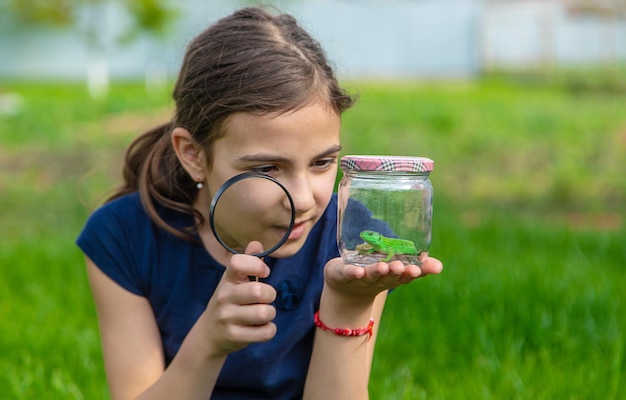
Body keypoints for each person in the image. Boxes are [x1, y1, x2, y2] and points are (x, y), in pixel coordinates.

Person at [77, 6, 443, 400]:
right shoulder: (123, 236)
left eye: (322, 163)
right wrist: (208, 343)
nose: (304, 200)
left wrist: (348, 303)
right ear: (193, 155)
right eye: (268, 168)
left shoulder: (353, 239)